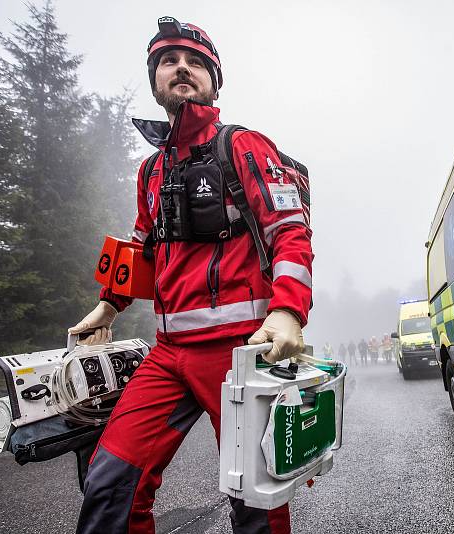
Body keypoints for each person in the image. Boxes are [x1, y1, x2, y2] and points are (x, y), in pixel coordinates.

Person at [69, 17, 313, 534]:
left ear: (213, 79)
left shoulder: (244, 146)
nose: (181, 68)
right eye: (167, 61)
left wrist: (289, 309)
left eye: (195, 62)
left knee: (257, 503)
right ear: (155, 80)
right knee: (109, 482)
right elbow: (141, 247)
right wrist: (107, 306)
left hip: (243, 353)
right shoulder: (149, 171)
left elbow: (290, 230)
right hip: (168, 354)